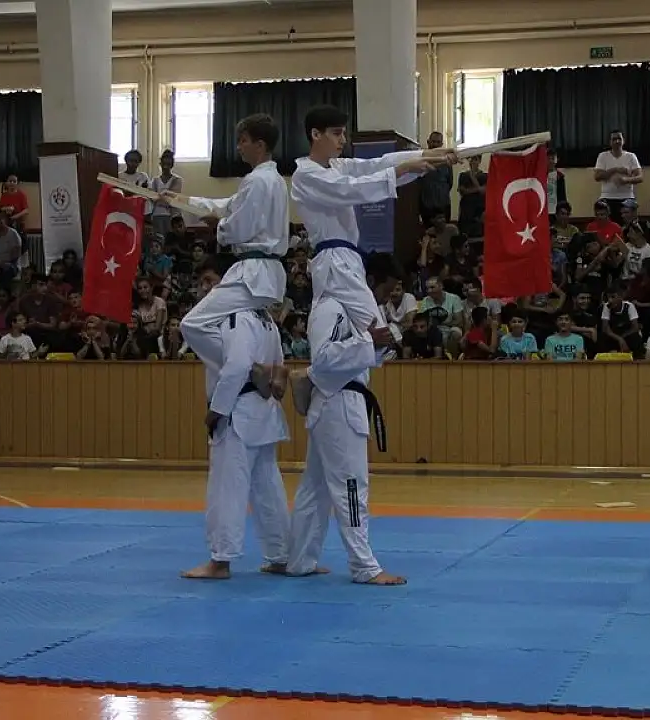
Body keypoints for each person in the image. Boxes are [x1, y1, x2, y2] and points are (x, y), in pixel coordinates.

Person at [289, 105, 454, 369]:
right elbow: (349, 190)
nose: (343, 140)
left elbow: (377, 165)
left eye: (344, 133)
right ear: (316, 134)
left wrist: (429, 156)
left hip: (347, 261)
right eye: (336, 133)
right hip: (334, 262)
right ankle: (313, 376)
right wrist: (403, 169)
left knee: (367, 341)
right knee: (381, 338)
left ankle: (324, 378)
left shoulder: (337, 166)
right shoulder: (305, 175)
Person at [286, 266, 404, 586]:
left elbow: (360, 356)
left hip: (340, 400)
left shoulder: (352, 309)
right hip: (337, 401)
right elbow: (324, 357)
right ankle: (364, 565)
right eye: (385, 288)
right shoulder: (330, 306)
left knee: (316, 489)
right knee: (352, 484)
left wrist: (379, 347)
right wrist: (368, 340)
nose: (383, 296)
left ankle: (299, 561)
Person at [171, 114, 291, 397]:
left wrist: (219, 227)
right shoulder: (273, 180)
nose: (238, 147)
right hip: (266, 273)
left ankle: (250, 369)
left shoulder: (256, 181)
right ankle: (274, 364)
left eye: (243, 141)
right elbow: (226, 205)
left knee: (193, 324)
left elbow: (237, 227)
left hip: (253, 272)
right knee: (248, 327)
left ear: (259, 145)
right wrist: (182, 200)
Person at [182, 305, 291, 580]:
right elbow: (278, 366)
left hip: (237, 411)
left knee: (227, 487)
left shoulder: (236, 316)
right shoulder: (266, 319)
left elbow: (238, 366)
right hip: (263, 411)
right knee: (268, 487)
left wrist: (217, 409)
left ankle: (220, 560)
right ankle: (281, 555)